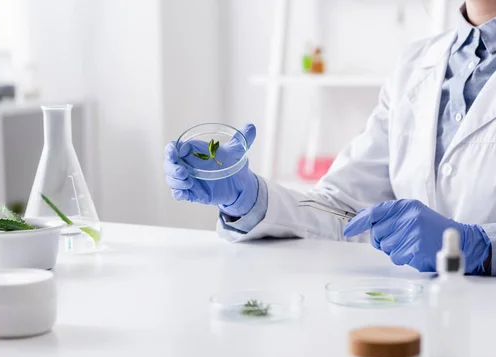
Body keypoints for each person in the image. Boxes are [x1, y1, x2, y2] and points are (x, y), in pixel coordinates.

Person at [164, 0, 496, 276]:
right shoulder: (416, 63)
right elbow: (344, 211)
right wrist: (248, 199)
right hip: (413, 322)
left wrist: (480, 245)